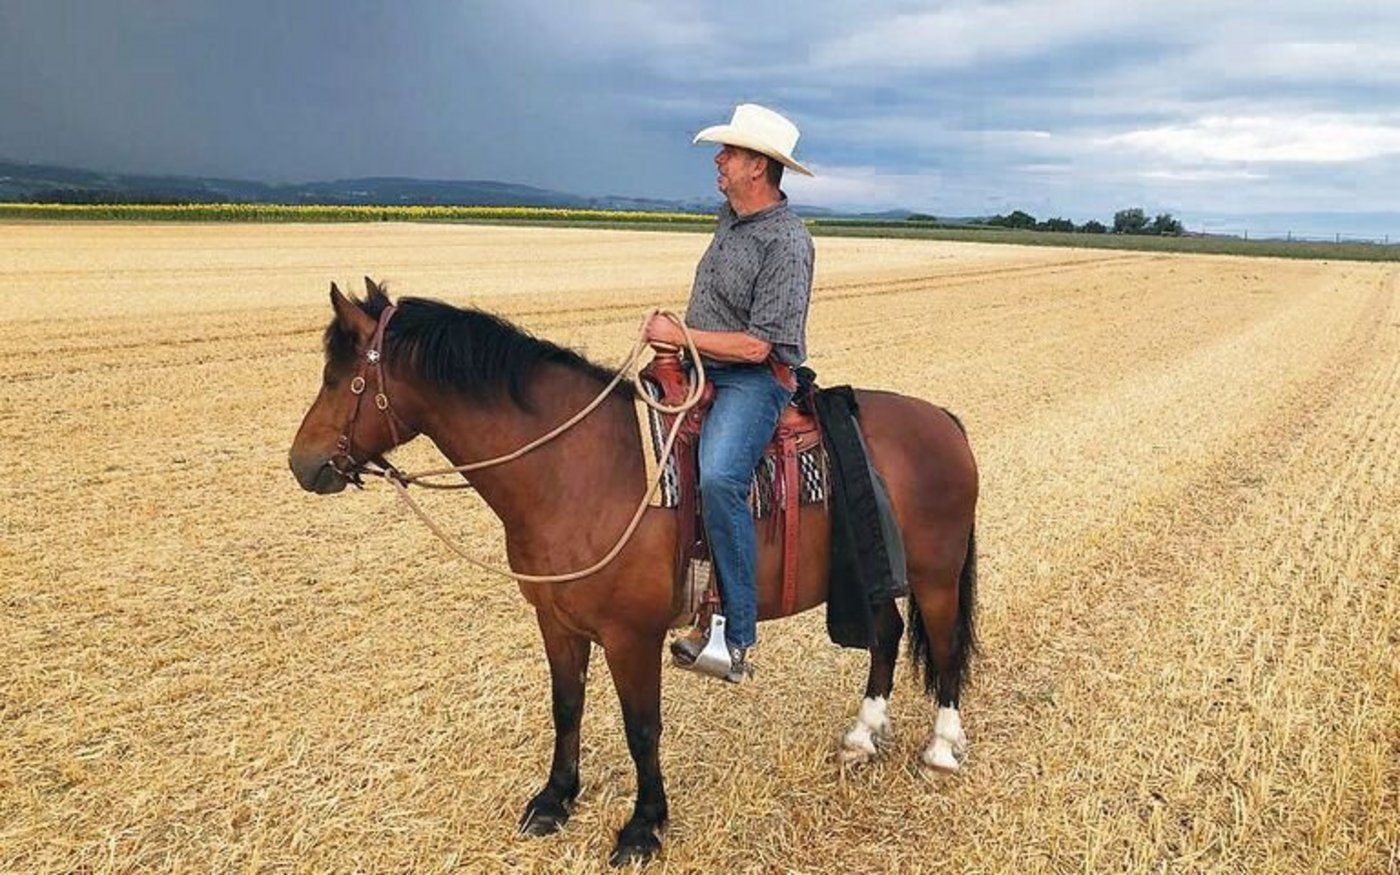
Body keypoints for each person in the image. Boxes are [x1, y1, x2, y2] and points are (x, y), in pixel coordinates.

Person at [644, 103, 815, 682]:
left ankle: (733, 636)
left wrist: (679, 336)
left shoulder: (787, 242)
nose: (719, 159)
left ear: (758, 167)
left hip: (751, 380)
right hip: (701, 367)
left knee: (719, 476)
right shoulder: (730, 218)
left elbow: (759, 347)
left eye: (731, 152)